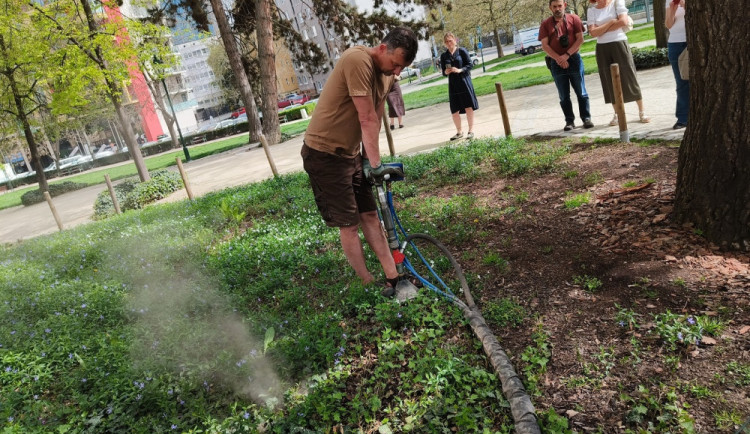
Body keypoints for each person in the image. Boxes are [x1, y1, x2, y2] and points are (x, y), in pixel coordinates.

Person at [300, 27, 417, 296]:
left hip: (352, 155)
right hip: (325, 154)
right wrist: (375, 168)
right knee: (350, 224)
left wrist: (367, 160)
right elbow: (364, 116)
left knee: (370, 214)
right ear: (383, 48)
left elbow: (374, 120)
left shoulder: (386, 77)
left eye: (402, 68)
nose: (397, 72)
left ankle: (392, 275)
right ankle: (367, 283)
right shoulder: (357, 60)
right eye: (396, 64)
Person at [587, 0, 650, 126]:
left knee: (629, 76)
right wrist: (611, 22)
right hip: (602, 48)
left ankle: (642, 111)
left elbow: (623, 21)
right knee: (608, 80)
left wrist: (601, 28)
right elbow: (593, 33)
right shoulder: (591, 10)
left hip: (619, 42)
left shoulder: (617, 2)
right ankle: (617, 114)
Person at [539, 0, 594, 131]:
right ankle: (569, 121)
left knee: (581, 92)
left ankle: (586, 118)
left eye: (559, 6)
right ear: (550, 8)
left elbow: (580, 39)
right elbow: (544, 45)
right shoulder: (546, 24)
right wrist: (559, 58)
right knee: (564, 95)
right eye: (554, 7)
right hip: (556, 62)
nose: (557, 9)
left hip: (574, 59)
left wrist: (567, 55)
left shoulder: (574, 19)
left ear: (565, 5)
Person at [440, 32, 478, 140]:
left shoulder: (462, 51)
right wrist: (446, 72)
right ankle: (459, 132)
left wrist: (460, 70)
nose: (449, 43)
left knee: (468, 106)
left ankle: (470, 131)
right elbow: (443, 72)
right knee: (454, 109)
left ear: (455, 40)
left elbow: (470, 64)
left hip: (464, 81)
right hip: (453, 84)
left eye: (450, 41)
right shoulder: (444, 55)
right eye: (446, 42)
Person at [665, 0, 688, 129]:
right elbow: (668, 24)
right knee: (681, 82)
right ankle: (683, 118)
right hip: (675, 43)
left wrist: (685, 4)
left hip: (691, 40)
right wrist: (672, 10)